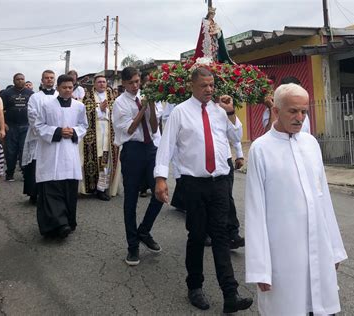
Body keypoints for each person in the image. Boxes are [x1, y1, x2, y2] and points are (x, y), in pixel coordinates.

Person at [154, 67, 253, 313]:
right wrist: (160, 178)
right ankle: (195, 287)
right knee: (197, 236)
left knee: (221, 236)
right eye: (204, 86)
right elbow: (166, 146)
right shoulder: (180, 112)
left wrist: (230, 112)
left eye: (211, 85)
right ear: (192, 86)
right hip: (193, 184)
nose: (209, 90)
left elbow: (235, 135)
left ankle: (230, 293)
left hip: (219, 183)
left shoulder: (220, 111)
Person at [245, 83, 347, 315]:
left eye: (304, 111)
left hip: (317, 244)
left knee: (321, 307)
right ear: (276, 110)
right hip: (283, 253)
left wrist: (334, 247)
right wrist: (260, 267)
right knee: (288, 307)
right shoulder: (261, 149)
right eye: (293, 111)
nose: (300, 117)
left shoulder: (311, 144)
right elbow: (255, 210)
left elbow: (324, 200)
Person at [112, 66, 164, 266]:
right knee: (130, 200)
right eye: (131, 82)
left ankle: (144, 230)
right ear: (124, 83)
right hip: (132, 150)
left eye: (137, 81)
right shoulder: (120, 103)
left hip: (150, 149)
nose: (135, 86)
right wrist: (142, 108)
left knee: (160, 193)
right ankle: (132, 246)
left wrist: (149, 104)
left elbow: (153, 127)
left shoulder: (146, 96)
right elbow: (130, 128)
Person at [34, 74, 88, 238]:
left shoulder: (79, 107)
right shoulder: (46, 105)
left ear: (73, 88)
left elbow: (83, 126)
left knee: (68, 188)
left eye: (70, 88)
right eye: (64, 87)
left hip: (69, 153)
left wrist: (74, 131)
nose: (67, 90)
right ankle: (57, 224)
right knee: (51, 189)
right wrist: (57, 131)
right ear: (58, 88)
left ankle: (67, 222)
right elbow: (38, 126)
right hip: (51, 153)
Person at [80, 75, 120, 200]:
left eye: (104, 82)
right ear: (94, 84)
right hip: (93, 132)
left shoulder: (112, 97)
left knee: (105, 161)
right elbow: (84, 113)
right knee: (94, 159)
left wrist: (106, 111)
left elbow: (118, 114)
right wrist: (99, 109)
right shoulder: (88, 97)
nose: (102, 84)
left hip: (108, 132)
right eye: (99, 82)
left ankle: (101, 189)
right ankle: (91, 187)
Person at [22, 70, 58, 204]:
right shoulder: (35, 97)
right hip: (38, 137)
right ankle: (34, 193)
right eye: (46, 78)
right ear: (42, 80)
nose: (49, 80)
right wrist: (45, 130)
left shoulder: (59, 95)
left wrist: (54, 131)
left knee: (53, 164)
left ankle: (52, 194)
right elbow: (32, 115)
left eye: (51, 78)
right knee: (36, 165)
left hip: (55, 136)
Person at [1, 73, 34, 181]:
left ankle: (25, 173)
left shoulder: (31, 94)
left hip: (26, 126)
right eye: (18, 79)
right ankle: (9, 173)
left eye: (22, 79)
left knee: (24, 151)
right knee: (10, 152)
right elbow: (0, 110)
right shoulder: (6, 93)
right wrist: (3, 124)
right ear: (14, 80)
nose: (20, 81)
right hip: (11, 126)